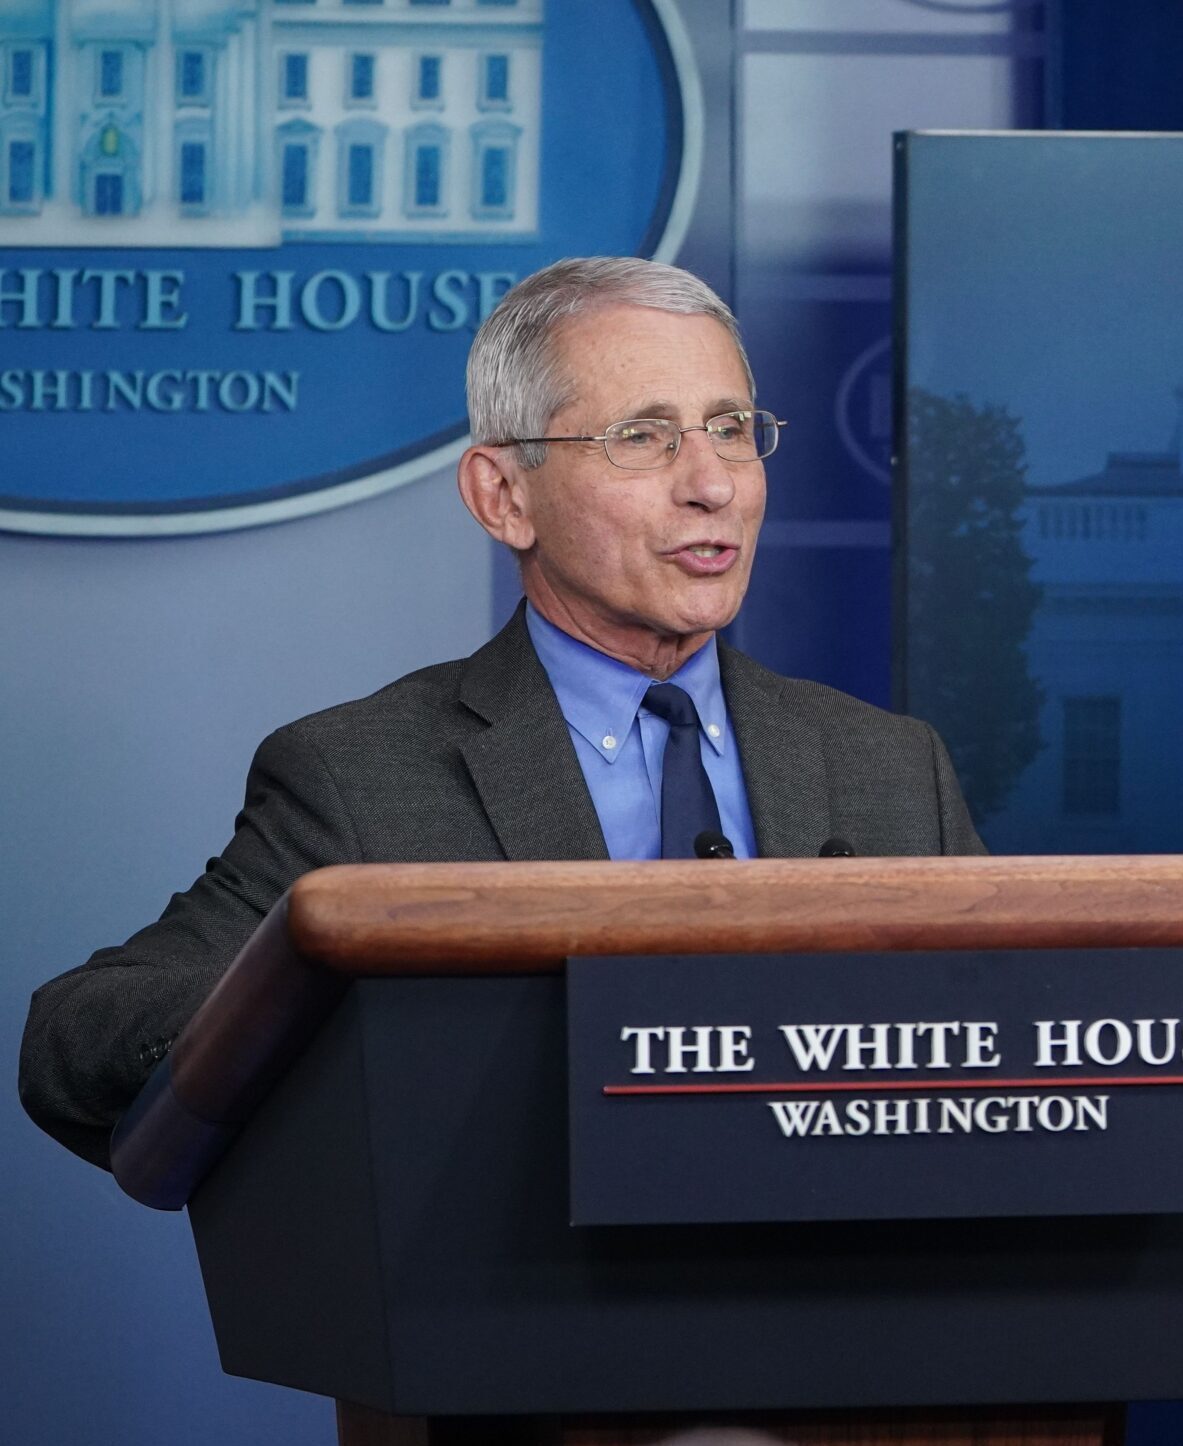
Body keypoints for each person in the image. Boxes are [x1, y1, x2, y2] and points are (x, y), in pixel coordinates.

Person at [20, 256, 983, 1169]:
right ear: (504, 496)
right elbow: (79, 1034)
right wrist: (335, 1011)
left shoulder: (891, 767)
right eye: (642, 437)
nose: (713, 484)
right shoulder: (360, 778)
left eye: (731, 428)